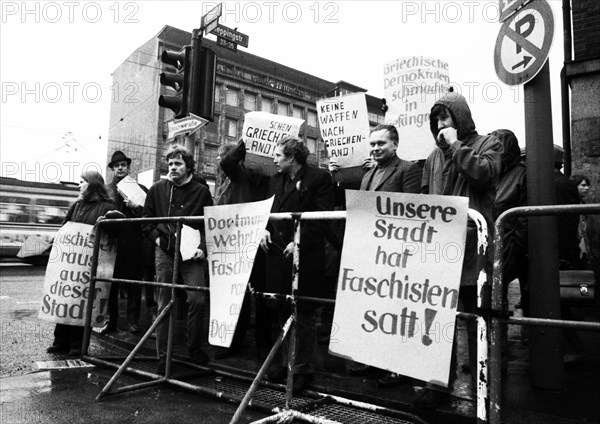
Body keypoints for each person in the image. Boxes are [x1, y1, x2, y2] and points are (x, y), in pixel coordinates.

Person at [418, 90, 502, 408]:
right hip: (442, 249)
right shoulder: (431, 157)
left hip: (473, 251)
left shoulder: (488, 143)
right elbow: (425, 202)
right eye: (436, 119)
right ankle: (439, 382)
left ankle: (485, 382)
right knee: (441, 319)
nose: (440, 124)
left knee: (477, 319)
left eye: (445, 117)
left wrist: (455, 146)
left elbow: (483, 175)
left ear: (460, 118)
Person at [259, 136, 335, 394]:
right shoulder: (276, 179)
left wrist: (300, 242)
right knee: (280, 310)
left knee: (302, 315)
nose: (274, 159)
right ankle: (283, 363)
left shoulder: (319, 178)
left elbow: (322, 217)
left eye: (278, 155)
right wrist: (264, 230)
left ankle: (302, 369)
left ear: (291, 157)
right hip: (277, 255)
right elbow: (268, 211)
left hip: (305, 256)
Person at [142, 144, 214, 371]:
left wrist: (203, 247)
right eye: (170, 164)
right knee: (165, 302)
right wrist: (157, 240)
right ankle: (163, 357)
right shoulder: (157, 189)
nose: (172, 168)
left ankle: (194, 348)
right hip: (165, 251)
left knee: (197, 299)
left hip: (191, 255)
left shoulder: (201, 191)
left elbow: (209, 223)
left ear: (188, 166)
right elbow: (146, 220)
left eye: (178, 164)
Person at [46, 170, 116, 357]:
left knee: (83, 303)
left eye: (82, 182)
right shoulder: (77, 205)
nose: (79, 185)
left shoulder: (107, 206)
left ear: (92, 185)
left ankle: (78, 345)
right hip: (71, 262)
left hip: (90, 262)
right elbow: (66, 226)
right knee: (66, 299)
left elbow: (115, 232)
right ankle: (60, 341)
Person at [213, 140, 266, 359]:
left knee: (256, 293)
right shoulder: (226, 180)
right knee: (235, 294)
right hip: (231, 239)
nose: (218, 162)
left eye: (220, 157)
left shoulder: (239, 172)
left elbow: (227, 161)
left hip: (248, 236)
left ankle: (257, 344)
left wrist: (250, 139)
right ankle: (233, 341)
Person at [104, 151, 147, 334]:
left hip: (133, 244)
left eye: (123, 165)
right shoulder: (106, 190)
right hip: (112, 244)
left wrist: (136, 208)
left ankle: (132, 321)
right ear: (113, 169)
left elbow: (149, 214)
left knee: (133, 284)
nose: (120, 167)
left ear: (128, 168)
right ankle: (110, 321)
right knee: (110, 285)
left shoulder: (140, 189)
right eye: (117, 165)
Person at [491, 130, 528, 316]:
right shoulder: (492, 174)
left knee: (499, 295)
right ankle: (495, 338)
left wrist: (515, 248)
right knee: (492, 298)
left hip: (510, 246)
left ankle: (501, 338)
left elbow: (524, 220)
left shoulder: (522, 175)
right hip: (493, 244)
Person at [360, 124, 422, 193]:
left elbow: (411, 202)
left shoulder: (408, 169)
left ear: (395, 144)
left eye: (381, 143)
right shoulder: (367, 175)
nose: (376, 148)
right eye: (372, 145)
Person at [570, 174, 591, 266]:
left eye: (587, 185)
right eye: (583, 185)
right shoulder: (575, 204)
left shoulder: (582, 203)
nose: (587, 188)